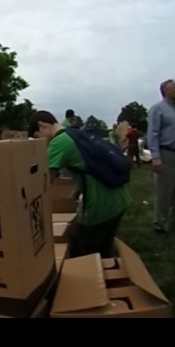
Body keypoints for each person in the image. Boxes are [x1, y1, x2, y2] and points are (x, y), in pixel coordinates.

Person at [28, 110, 130, 258]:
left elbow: (41, 180)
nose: (42, 143)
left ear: (41, 125)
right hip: (119, 198)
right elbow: (83, 167)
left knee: (80, 248)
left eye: (38, 137)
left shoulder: (59, 142)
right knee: (103, 248)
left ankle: (93, 279)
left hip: (100, 205)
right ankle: (108, 275)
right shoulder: (75, 133)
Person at [147, 79, 175, 233]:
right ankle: (160, 223)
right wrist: (156, 156)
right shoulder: (157, 109)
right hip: (167, 154)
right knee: (164, 191)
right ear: (165, 90)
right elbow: (152, 133)